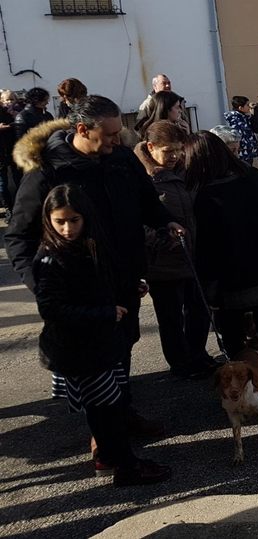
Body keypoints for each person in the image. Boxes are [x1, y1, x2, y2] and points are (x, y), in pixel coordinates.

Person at [6, 95, 183, 440]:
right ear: (83, 129)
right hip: (83, 294)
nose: (119, 141)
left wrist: (167, 222)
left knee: (122, 349)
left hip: (126, 280)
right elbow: (18, 238)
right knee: (96, 364)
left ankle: (123, 415)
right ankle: (106, 441)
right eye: (112, 134)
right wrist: (43, 287)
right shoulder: (48, 172)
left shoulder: (121, 160)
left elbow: (146, 202)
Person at [33, 184, 172, 486]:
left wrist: (129, 288)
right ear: (48, 219)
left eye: (74, 220)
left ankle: (115, 459)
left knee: (113, 404)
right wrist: (104, 313)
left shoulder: (89, 245)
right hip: (78, 349)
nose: (68, 228)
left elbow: (100, 282)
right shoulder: (50, 258)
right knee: (103, 410)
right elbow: (52, 310)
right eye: (60, 221)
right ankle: (122, 465)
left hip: (102, 343)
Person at [184, 131, 258, 382]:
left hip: (235, 282)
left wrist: (209, 289)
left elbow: (208, 249)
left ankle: (244, 382)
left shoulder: (208, 196)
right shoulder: (253, 175)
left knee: (231, 333)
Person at [134, 120, 214, 378]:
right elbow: (136, 220)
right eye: (168, 151)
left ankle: (198, 354)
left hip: (192, 256)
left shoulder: (184, 170)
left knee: (199, 310)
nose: (175, 156)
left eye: (179, 150)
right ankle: (180, 363)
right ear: (151, 147)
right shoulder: (141, 177)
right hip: (163, 262)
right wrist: (160, 236)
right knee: (171, 318)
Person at [224, 95, 258, 165]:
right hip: (242, 152)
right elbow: (239, 135)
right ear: (240, 108)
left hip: (247, 151)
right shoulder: (235, 120)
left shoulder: (243, 117)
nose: (249, 107)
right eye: (247, 105)